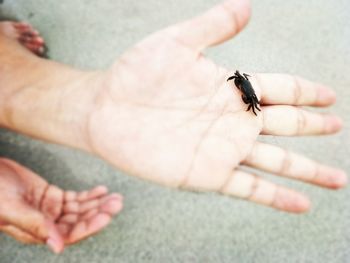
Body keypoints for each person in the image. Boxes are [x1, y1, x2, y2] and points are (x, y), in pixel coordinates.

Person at [0, 0, 347, 254]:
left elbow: (242, 86)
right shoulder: (237, 80)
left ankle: (14, 70)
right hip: (244, 97)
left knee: (253, 100)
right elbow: (238, 82)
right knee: (252, 99)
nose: (238, 81)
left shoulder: (241, 84)